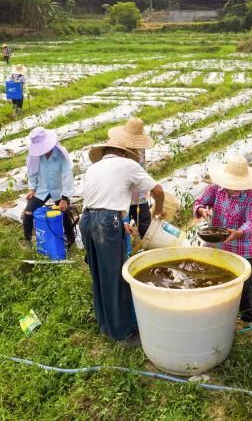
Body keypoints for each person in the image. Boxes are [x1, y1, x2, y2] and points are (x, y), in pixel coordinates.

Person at [80, 135, 165, 346]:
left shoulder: (94, 168)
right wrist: (159, 211)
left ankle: (105, 325)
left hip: (87, 221)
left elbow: (100, 200)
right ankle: (123, 334)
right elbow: (158, 190)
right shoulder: (128, 164)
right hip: (106, 222)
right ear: (124, 153)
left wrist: (119, 223)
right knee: (117, 278)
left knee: (99, 275)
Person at [194, 155, 252, 322]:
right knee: (215, 274)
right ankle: (218, 309)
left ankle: (246, 313)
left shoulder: (250, 196)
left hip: (240, 244)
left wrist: (238, 232)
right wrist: (202, 210)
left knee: (245, 281)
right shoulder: (216, 189)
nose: (233, 187)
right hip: (217, 241)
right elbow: (199, 202)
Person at [23, 127, 75, 246]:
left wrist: (64, 198)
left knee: (65, 213)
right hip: (42, 189)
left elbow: (67, 176)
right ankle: (27, 240)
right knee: (28, 212)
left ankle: (70, 240)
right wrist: (32, 188)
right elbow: (32, 172)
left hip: (58, 190)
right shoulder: (35, 156)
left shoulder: (61, 155)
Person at [108, 117, 155, 237]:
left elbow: (141, 169)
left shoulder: (140, 147)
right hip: (121, 194)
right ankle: (126, 252)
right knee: (122, 227)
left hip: (138, 194)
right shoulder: (117, 149)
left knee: (145, 227)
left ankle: (148, 249)